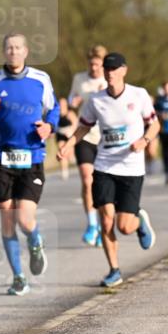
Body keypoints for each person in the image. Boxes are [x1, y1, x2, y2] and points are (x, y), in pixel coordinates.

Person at [56, 53, 158, 287]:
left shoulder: (138, 95)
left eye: (114, 68)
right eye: (107, 69)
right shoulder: (96, 100)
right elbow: (84, 127)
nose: (110, 73)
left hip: (131, 168)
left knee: (124, 226)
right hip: (105, 165)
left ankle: (139, 221)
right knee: (106, 219)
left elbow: (154, 124)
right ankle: (114, 270)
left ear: (124, 70)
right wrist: (68, 145)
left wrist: (144, 141)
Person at [0, 33, 60, 296]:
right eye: (9, 48)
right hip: (2, 158)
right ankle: (19, 277)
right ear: (4, 52)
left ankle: (35, 239)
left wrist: (49, 126)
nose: (13, 51)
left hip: (33, 157)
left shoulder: (40, 79)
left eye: (18, 47)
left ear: (26, 51)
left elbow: (54, 109)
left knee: (24, 218)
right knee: (7, 220)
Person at [66, 45, 108, 245]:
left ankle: (103, 226)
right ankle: (92, 224)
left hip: (104, 137)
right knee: (87, 180)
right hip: (84, 135)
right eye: (91, 64)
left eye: (98, 64)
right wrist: (73, 101)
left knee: (102, 184)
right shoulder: (79, 79)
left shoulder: (109, 79)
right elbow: (71, 100)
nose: (94, 68)